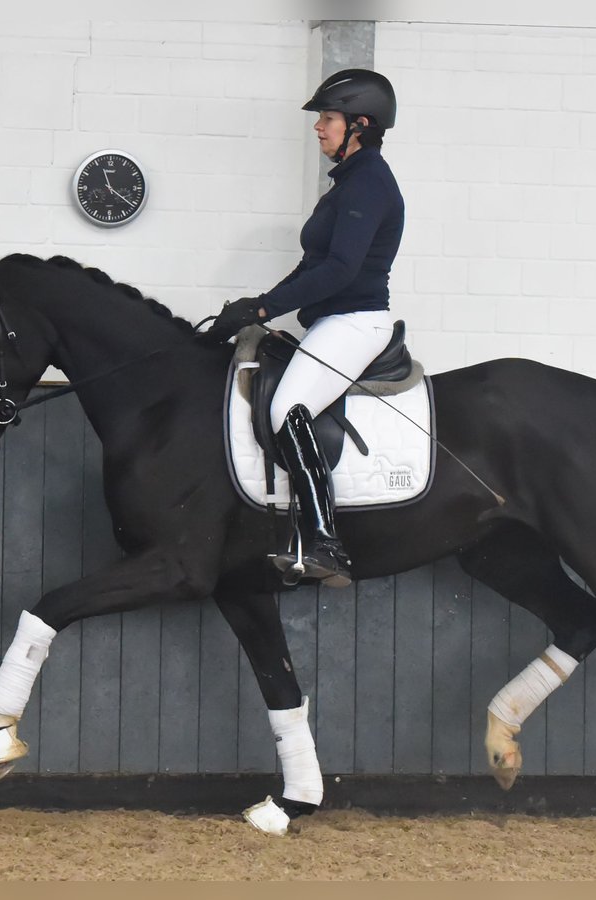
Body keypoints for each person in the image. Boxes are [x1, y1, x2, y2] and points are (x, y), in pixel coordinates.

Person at [203, 68, 405, 588]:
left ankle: (325, 540)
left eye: (328, 118)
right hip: (332, 322)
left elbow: (340, 271)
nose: (319, 127)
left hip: (356, 322)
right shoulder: (347, 184)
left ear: (360, 124)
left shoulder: (370, 183)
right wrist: (256, 305)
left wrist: (267, 312)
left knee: (286, 410)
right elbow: (314, 265)